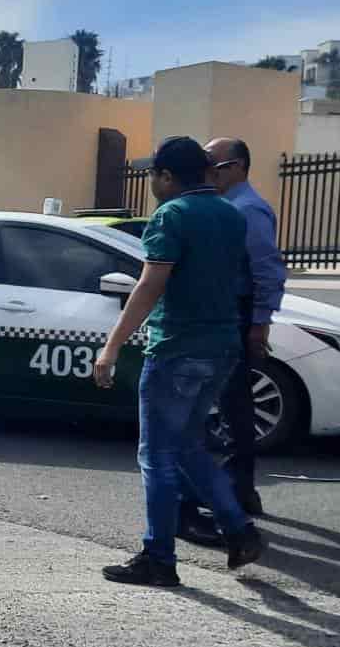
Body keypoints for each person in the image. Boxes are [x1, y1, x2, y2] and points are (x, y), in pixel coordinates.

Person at [95, 136, 263, 587]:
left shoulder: (171, 215)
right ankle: (239, 529)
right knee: (189, 446)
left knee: (157, 456)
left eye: (154, 175)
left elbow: (149, 287)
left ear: (166, 176)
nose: (152, 182)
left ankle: (159, 557)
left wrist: (111, 347)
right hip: (221, 347)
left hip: (177, 348)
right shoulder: (230, 215)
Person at [177, 137, 286, 545]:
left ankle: (240, 490)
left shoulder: (248, 210)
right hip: (228, 312)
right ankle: (238, 490)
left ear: (237, 166)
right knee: (229, 403)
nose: (209, 173)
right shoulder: (228, 207)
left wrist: (259, 323)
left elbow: (267, 272)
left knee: (235, 405)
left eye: (215, 166)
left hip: (239, 315)